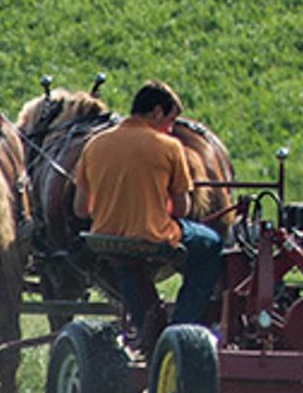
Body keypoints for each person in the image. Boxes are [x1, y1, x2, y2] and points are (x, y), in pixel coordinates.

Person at [73, 80, 222, 333]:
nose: (171, 129)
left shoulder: (94, 145)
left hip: (104, 236)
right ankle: (181, 326)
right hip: (152, 236)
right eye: (170, 121)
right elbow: (182, 208)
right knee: (211, 244)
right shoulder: (169, 147)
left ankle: (146, 329)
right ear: (156, 112)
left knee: (124, 260)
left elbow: (80, 209)